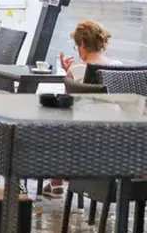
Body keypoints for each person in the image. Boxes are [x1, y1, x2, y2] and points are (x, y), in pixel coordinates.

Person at [44, 20, 116, 197]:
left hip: (82, 141)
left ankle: (57, 181)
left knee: (56, 122)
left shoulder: (76, 70)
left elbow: (68, 106)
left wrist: (69, 73)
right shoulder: (116, 66)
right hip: (115, 138)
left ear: (83, 44)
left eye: (78, 47)